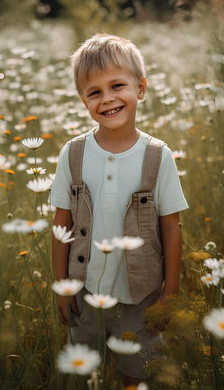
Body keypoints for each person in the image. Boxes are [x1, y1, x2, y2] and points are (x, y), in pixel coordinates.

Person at [51, 33, 188, 386]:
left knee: (137, 373)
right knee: (83, 371)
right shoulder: (73, 154)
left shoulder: (158, 156)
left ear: (140, 88)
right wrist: (63, 287)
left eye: (117, 86)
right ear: (83, 100)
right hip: (85, 291)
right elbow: (61, 222)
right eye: (94, 92)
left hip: (141, 296)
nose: (107, 99)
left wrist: (169, 293)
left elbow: (171, 228)